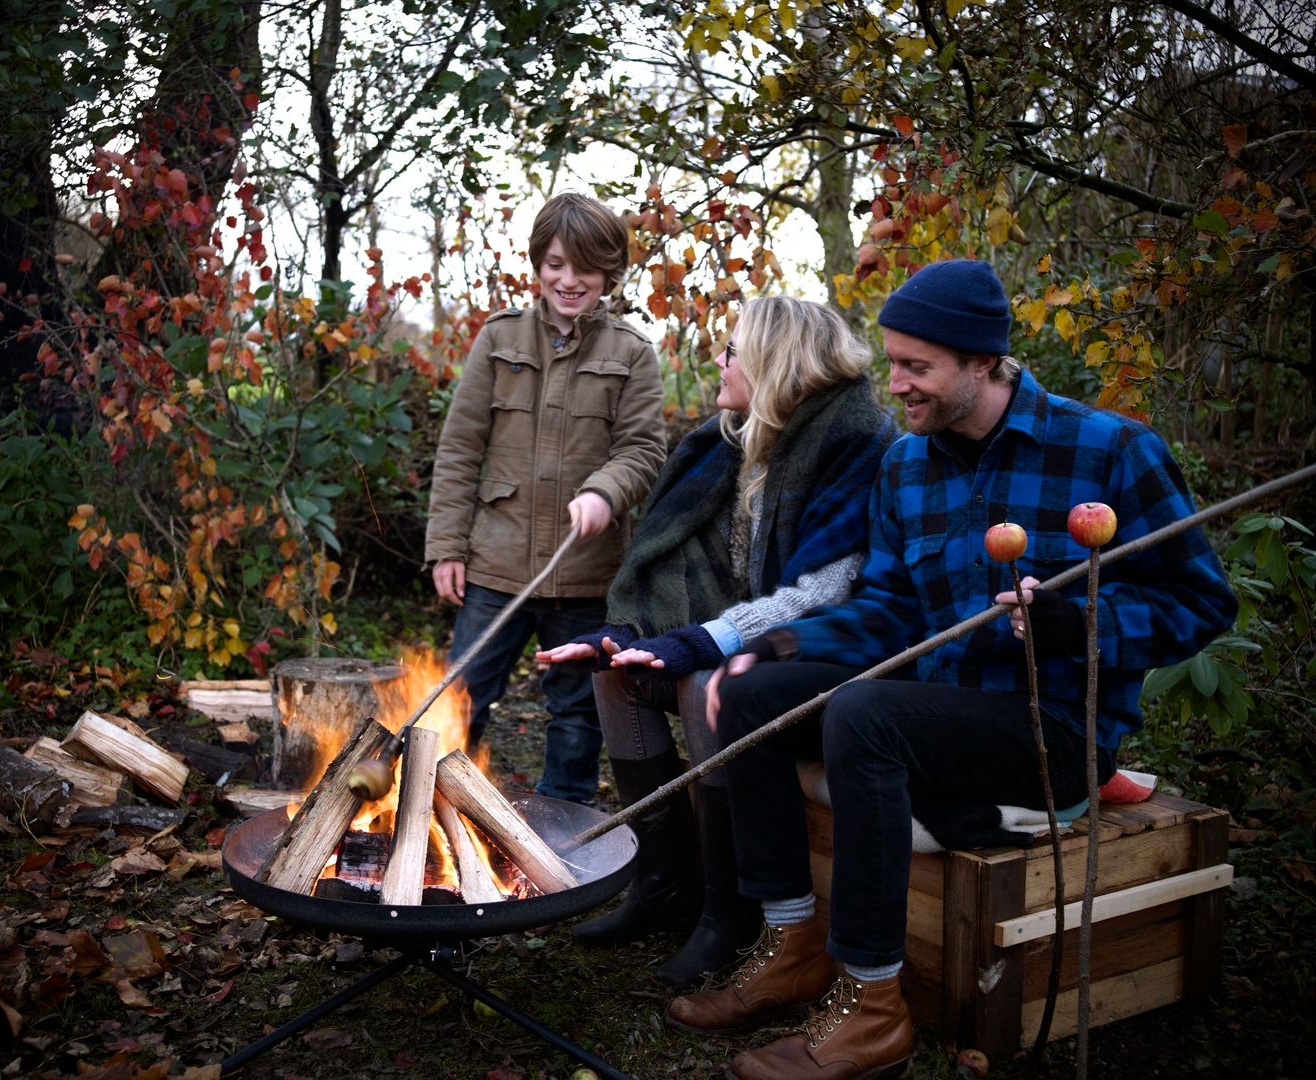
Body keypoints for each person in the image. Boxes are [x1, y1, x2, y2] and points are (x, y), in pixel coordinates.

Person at [665, 259, 1237, 1080]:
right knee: (756, 696)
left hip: (1053, 732)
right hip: (937, 709)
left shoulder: (1111, 450)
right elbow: (894, 610)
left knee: (866, 713)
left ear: (981, 362)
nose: (894, 383)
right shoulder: (906, 466)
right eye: (892, 361)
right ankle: (791, 941)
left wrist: (1079, 623)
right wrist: (784, 644)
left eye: (916, 367)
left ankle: (872, 1008)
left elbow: (1202, 603)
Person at [538, 296, 897, 986]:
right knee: (613, 674)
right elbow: (672, 565)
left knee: (708, 682)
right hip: (742, 635)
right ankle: (665, 880)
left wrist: (698, 645)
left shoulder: (857, 441)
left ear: (771, 363)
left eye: (732, 350)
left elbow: (825, 589)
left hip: (823, 652)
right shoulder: (728, 441)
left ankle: (727, 909)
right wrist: (626, 635)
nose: (719, 360)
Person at [424, 192, 666, 804]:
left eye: (584, 267)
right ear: (538, 264)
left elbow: (642, 450)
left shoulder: (632, 353)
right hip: (494, 567)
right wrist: (447, 547)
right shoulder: (499, 340)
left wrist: (605, 494)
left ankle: (565, 833)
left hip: (585, 577)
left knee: (578, 716)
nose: (568, 280)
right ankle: (433, 816)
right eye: (555, 263)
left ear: (609, 271)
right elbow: (459, 450)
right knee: (460, 698)